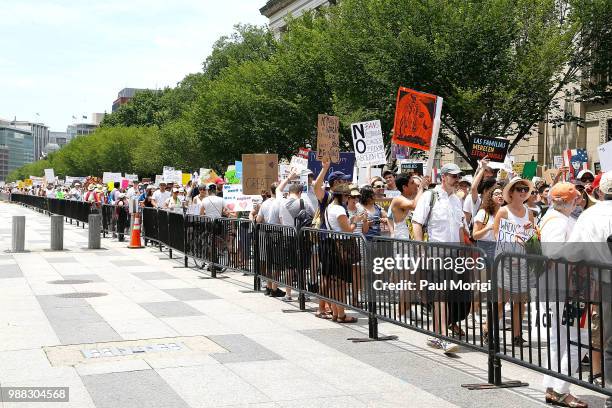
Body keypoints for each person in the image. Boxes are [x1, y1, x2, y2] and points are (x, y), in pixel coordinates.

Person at [557, 171, 612, 408]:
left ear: (599, 191)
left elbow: (573, 251)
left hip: (605, 281)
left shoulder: (590, 215)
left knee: (609, 339)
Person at [536, 183, 588, 407]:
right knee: (579, 339)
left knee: (559, 338)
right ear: (572, 201)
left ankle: (553, 386)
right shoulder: (558, 221)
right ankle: (561, 389)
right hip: (565, 289)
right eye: (576, 199)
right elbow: (553, 252)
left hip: (559, 288)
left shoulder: (553, 218)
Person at [412, 163, 466, 353]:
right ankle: (443, 336)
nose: (457, 180)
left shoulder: (457, 200)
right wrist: (421, 249)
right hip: (436, 252)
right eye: (453, 176)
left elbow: (460, 228)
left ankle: (436, 335)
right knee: (440, 294)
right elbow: (417, 223)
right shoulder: (430, 196)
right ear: (443, 177)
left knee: (446, 296)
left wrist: (465, 251)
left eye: (458, 176)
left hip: (454, 253)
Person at [491, 176, 537, 347]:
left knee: (520, 300)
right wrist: (514, 236)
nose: (523, 192)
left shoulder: (529, 212)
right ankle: (489, 330)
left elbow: (531, 237)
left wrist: (529, 232)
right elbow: (497, 235)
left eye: (525, 189)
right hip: (505, 261)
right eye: (519, 189)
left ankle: (517, 335)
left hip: (523, 261)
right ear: (511, 192)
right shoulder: (503, 211)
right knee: (502, 300)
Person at [322, 183, 359, 323]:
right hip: (340, 247)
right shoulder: (339, 209)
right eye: (347, 195)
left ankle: (336, 313)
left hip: (332, 245)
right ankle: (341, 314)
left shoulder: (328, 208)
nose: (348, 198)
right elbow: (348, 230)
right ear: (343, 196)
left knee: (334, 282)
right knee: (341, 283)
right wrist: (355, 221)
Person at [256, 182, 285, 298]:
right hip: (277, 233)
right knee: (276, 263)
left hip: (266, 234)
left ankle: (269, 287)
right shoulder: (280, 203)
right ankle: (274, 288)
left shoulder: (265, 203)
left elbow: (258, 219)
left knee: (268, 262)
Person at [390, 174, 427, 240]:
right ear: (404, 187)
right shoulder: (397, 200)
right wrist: (421, 187)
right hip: (403, 244)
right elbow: (414, 206)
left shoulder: (413, 198)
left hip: (415, 242)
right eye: (412, 183)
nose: (416, 184)